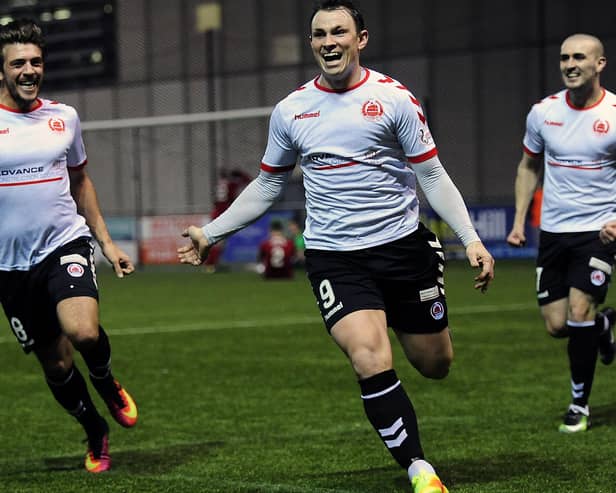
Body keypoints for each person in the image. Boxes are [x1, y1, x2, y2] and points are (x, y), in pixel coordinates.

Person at [179, 2, 494, 491]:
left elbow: (430, 173)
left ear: (360, 39)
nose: (329, 41)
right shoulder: (291, 111)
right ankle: (419, 469)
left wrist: (470, 238)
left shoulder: (394, 99)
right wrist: (210, 232)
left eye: (339, 32)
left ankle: (419, 316)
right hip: (336, 258)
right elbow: (266, 186)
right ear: (312, 43)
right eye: (319, 34)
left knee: (435, 365)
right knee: (369, 356)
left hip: (404, 250)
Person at [0, 19, 138, 473]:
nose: (28, 70)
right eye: (18, 62)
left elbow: (80, 179)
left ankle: (107, 380)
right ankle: (95, 430)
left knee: (83, 333)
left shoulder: (64, 117)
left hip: (64, 243)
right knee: (56, 365)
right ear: (1, 69)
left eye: (36, 61)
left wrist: (106, 241)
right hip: (11, 268)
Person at [507, 33, 616, 433]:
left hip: (598, 233)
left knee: (579, 311)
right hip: (553, 234)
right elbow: (528, 166)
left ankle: (579, 405)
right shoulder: (543, 113)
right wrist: (520, 221)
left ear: (600, 64)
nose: (570, 64)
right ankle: (602, 329)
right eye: (564, 58)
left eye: (580, 58)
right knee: (558, 325)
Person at [203, 168, 252, 272]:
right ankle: (211, 265)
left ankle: (213, 264)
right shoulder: (231, 183)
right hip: (223, 214)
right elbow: (248, 182)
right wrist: (242, 174)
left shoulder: (219, 184)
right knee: (219, 242)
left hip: (215, 213)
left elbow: (216, 199)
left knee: (217, 241)